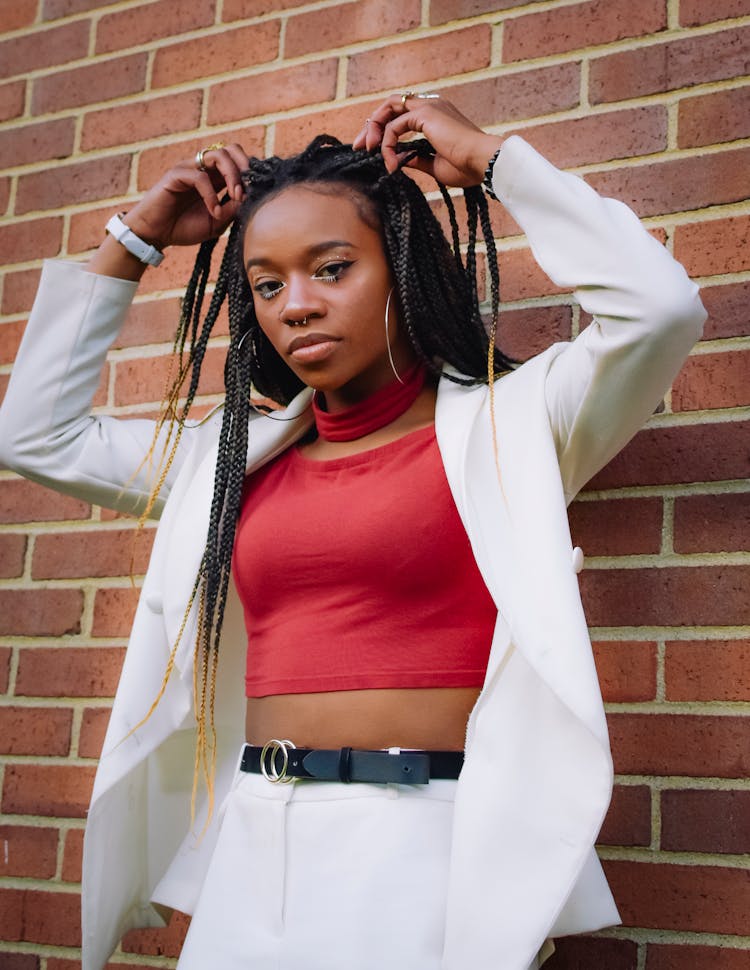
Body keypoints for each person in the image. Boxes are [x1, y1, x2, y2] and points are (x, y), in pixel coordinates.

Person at [0, 93, 705, 970]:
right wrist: (133, 241)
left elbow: (662, 311)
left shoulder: (514, 425)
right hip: (256, 844)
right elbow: (35, 436)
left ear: (403, 266)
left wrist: (493, 160)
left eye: (331, 269)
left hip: (428, 847)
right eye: (267, 283)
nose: (295, 305)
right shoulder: (231, 460)